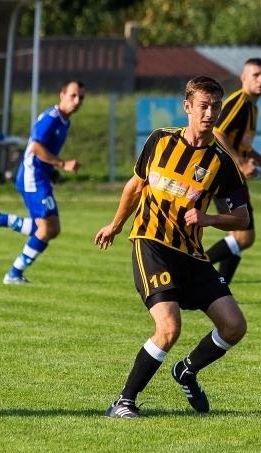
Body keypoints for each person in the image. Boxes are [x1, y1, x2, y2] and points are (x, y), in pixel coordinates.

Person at [95, 76, 250, 419]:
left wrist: (209, 220)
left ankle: (187, 370)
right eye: (203, 107)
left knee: (234, 326)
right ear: (188, 108)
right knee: (169, 328)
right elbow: (135, 187)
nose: (210, 113)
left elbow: (241, 218)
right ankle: (123, 402)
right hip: (151, 243)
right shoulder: (160, 141)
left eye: (215, 107)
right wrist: (116, 225)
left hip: (191, 254)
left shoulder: (222, 164)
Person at [0, 80, 84, 284]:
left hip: (41, 175)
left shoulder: (64, 121)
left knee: (49, 229)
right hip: (32, 177)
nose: (77, 101)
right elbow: (35, 147)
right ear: (62, 95)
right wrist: (62, 163)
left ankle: (0, 220)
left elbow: (44, 150)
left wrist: (51, 169)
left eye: (81, 97)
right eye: (73, 95)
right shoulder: (52, 119)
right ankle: (13, 274)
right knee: (48, 229)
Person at [204, 57, 261, 285]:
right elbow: (218, 133)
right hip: (224, 175)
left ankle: (220, 288)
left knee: (237, 235)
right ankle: (194, 267)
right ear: (243, 78)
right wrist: (240, 162)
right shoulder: (239, 103)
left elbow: (241, 144)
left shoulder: (251, 107)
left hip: (230, 175)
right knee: (244, 235)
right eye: (256, 75)